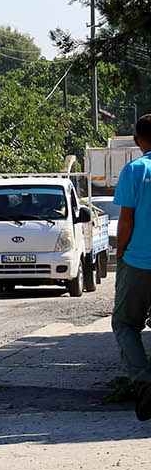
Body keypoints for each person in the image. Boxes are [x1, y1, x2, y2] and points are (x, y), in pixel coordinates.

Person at [109, 113, 151, 420]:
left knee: (125, 324)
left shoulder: (135, 169)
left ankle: (145, 384)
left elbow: (126, 220)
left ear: (138, 140)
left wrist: (120, 253)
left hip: (138, 261)